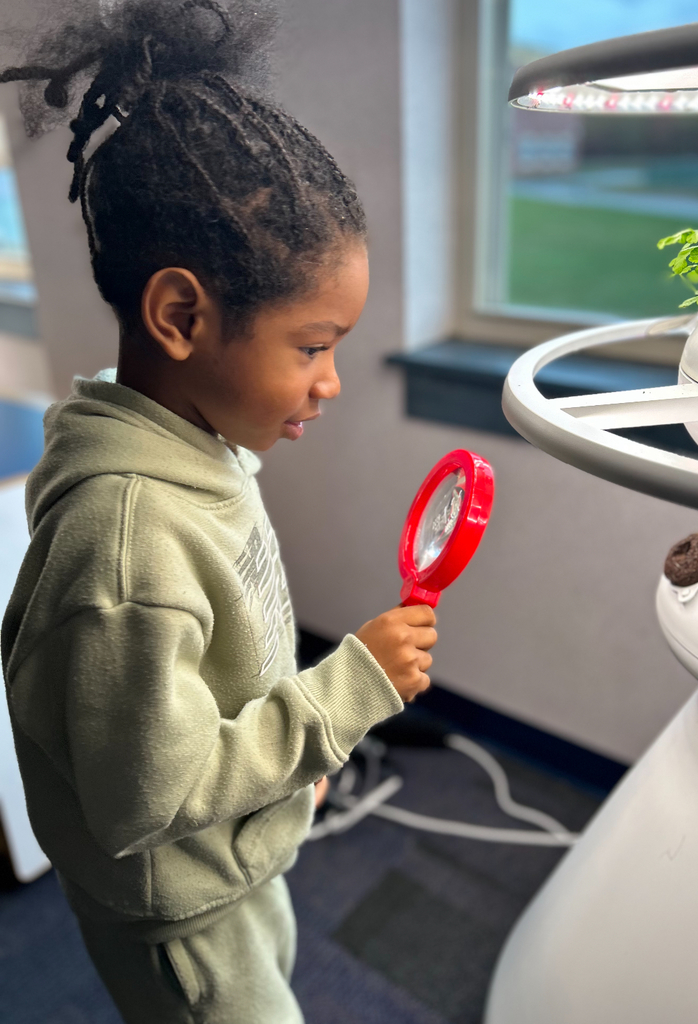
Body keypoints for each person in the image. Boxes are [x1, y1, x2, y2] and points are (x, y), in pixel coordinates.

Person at [0, 1, 437, 1021]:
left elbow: (199, 690)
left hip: (230, 859)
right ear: (182, 315)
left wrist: (283, 774)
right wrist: (340, 702)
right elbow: (143, 797)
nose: (329, 381)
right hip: (183, 921)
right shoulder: (124, 548)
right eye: (312, 344)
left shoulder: (189, 441)